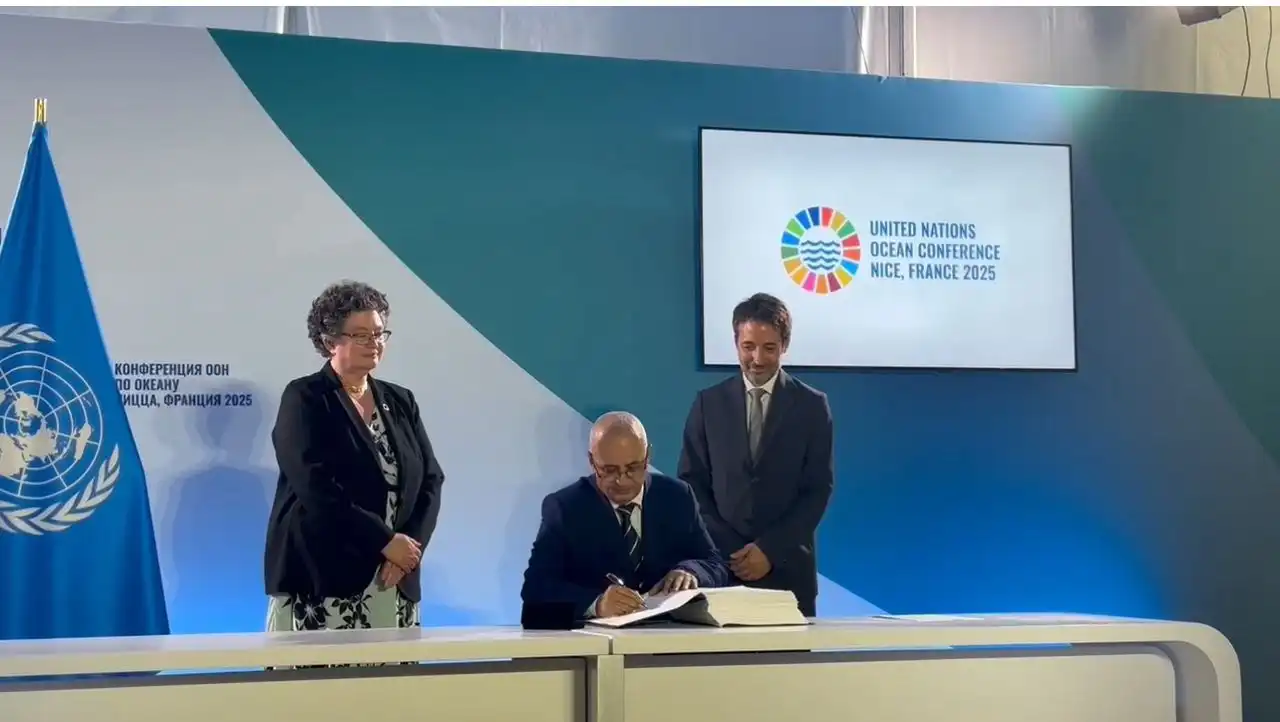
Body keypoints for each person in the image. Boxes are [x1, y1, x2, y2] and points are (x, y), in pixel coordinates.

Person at [264, 280, 446, 633]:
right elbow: (315, 485)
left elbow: (430, 479)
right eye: (362, 335)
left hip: (392, 578)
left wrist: (407, 551)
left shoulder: (400, 400)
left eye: (379, 334)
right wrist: (384, 541)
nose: (374, 343)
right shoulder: (305, 397)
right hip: (324, 578)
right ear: (330, 341)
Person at [677, 292, 834, 617]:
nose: (757, 359)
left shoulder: (812, 407)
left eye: (769, 348)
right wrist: (734, 552)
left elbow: (817, 491)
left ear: (784, 345)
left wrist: (769, 550)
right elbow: (692, 486)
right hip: (722, 571)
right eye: (748, 346)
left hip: (789, 574)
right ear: (736, 344)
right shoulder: (708, 404)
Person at [520, 412, 729, 628]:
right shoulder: (565, 508)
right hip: (598, 639)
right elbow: (536, 590)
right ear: (592, 461)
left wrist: (691, 571)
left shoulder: (677, 496)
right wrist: (596, 604)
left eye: (632, 468)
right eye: (609, 470)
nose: (622, 480)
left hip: (670, 634)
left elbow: (715, 564)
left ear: (648, 457)